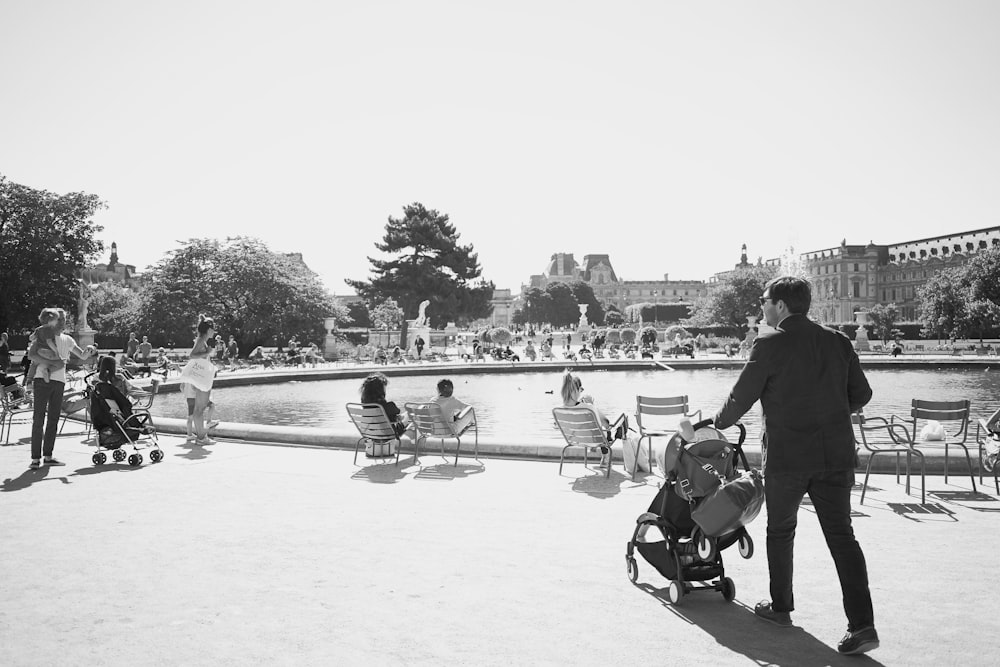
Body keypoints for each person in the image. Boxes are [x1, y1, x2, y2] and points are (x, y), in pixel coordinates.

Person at [712, 276, 877, 656]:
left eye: (765, 301)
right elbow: (863, 395)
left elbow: (740, 398)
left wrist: (716, 423)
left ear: (781, 306)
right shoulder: (837, 340)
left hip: (787, 457)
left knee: (781, 531)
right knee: (842, 537)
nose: (762, 308)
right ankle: (863, 625)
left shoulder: (769, 344)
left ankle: (781, 607)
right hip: (835, 455)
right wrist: (832, 414)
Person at [27, 308, 96, 468]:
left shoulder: (68, 339)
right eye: (61, 319)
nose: (64, 322)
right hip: (41, 381)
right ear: (54, 320)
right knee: (38, 419)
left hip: (59, 381)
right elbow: (31, 356)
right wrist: (30, 381)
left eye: (65, 319)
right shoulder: (43, 335)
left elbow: (83, 356)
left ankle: (48, 456)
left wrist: (90, 349)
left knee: (53, 420)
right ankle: (35, 458)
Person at [559, 370, 620, 467]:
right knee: (620, 421)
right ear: (577, 390)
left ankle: (601, 453)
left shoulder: (559, 409)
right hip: (595, 439)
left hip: (575, 439)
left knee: (594, 428)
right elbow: (606, 423)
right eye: (581, 389)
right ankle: (606, 457)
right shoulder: (588, 407)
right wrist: (592, 405)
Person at [179, 315, 220, 445]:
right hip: (200, 379)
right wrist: (207, 352)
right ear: (208, 330)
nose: (214, 331)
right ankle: (202, 438)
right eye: (213, 328)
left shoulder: (203, 339)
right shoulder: (202, 340)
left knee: (199, 409)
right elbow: (192, 355)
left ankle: (201, 437)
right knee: (199, 409)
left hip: (200, 377)